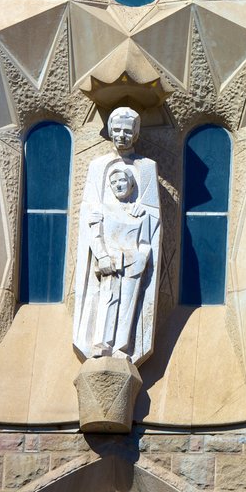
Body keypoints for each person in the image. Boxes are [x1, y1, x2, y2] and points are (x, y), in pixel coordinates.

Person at [73, 107, 161, 363]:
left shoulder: (146, 168)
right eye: (117, 130)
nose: (122, 136)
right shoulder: (99, 166)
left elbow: (153, 215)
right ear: (110, 132)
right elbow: (91, 214)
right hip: (109, 252)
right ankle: (101, 340)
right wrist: (100, 253)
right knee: (108, 298)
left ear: (135, 135)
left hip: (133, 254)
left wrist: (140, 210)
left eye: (127, 131)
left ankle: (123, 343)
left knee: (128, 302)